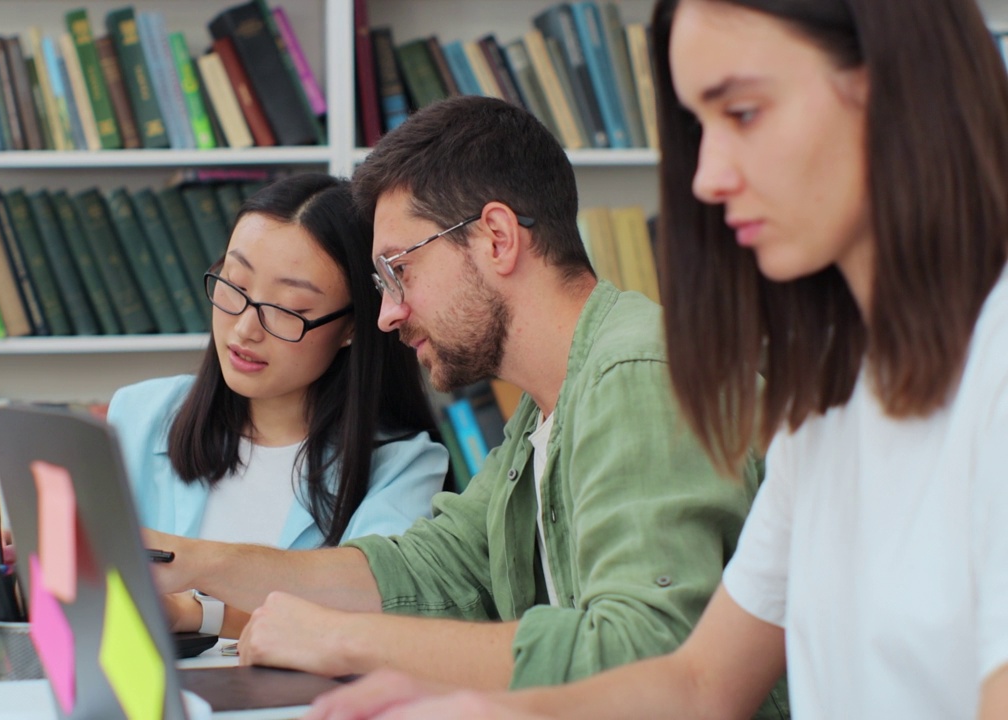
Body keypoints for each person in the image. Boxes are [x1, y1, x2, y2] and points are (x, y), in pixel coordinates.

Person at [305, 0, 1008, 717]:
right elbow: (699, 683)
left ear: (894, 87)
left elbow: (650, 647)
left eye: (742, 112)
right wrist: (486, 711)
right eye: (699, 127)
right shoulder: (832, 401)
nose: (706, 178)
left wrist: (353, 644)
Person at [146, 96, 781, 712]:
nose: (389, 314)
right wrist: (196, 564)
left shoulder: (636, 373)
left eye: (398, 270)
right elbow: (427, 573)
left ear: (497, 239)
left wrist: (340, 640)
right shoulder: (544, 412)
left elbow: (642, 655)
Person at [107, 173, 450, 640]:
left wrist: (197, 614)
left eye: (288, 308)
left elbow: (366, 627)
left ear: (351, 327)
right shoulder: (138, 416)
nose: (246, 328)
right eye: (235, 285)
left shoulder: (402, 467)